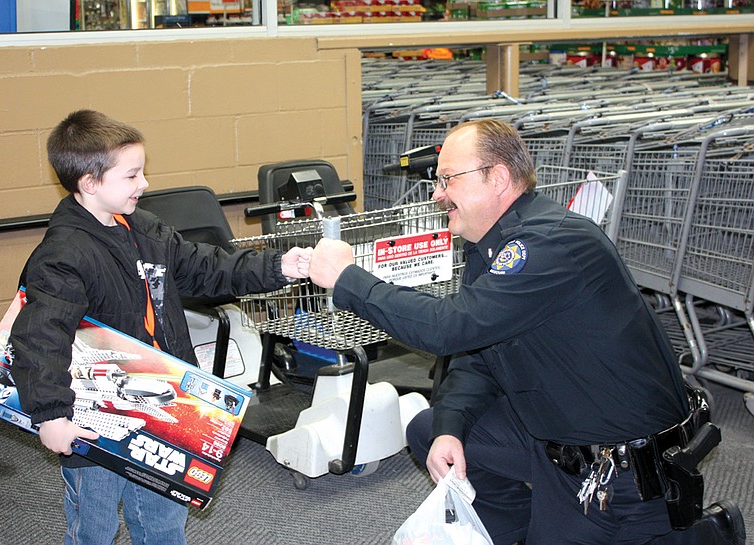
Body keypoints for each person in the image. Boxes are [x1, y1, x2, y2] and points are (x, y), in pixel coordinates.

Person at [308, 119, 745, 545]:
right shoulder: (491, 246)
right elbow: (476, 352)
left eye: (447, 180)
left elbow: (451, 327)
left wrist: (350, 278)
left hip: (620, 469)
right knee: (430, 430)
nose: (438, 195)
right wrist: (450, 427)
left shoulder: (550, 243)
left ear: (497, 177)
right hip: (559, 433)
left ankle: (707, 534)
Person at [9, 109, 311, 545]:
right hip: (94, 422)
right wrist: (52, 414)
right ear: (89, 183)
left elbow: (207, 269)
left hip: (163, 409)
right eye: (132, 176)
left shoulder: (144, 229)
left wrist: (278, 266)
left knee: (164, 524)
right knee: (94, 528)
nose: (145, 184)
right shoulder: (63, 254)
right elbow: (39, 336)